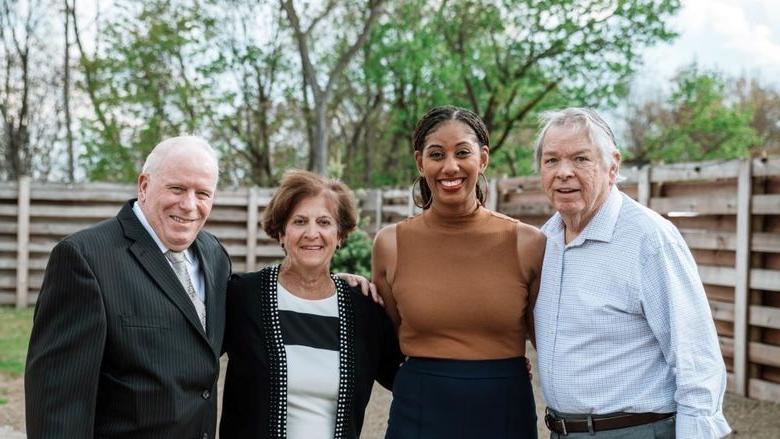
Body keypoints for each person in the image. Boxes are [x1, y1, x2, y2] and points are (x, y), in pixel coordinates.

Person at [533, 107, 731, 438]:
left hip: (636, 430)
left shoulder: (649, 238)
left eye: (581, 159)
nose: (563, 172)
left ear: (613, 165)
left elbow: (696, 359)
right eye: (551, 160)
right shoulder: (545, 240)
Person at [25, 136, 231, 438]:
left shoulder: (215, 256)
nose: (189, 205)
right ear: (144, 186)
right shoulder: (84, 259)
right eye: (177, 188)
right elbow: (57, 405)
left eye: (203, 193)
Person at [372, 105, 546, 438]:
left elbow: (548, 341)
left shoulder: (528, 243)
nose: (450, 166)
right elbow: (388, 333)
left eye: (462, 153)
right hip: (419, 408)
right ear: (420, 162)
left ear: (482, 159)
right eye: (437, 154)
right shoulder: (390, 245)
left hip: (504, 408)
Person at [220, 169, 403, 438]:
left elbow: (404, 378)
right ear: (281, 232)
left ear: (340, 235)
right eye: (300, 221)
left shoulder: (363, 309)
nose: (312, 233)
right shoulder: (242, 295)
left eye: (324, 222)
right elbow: (195, 362)